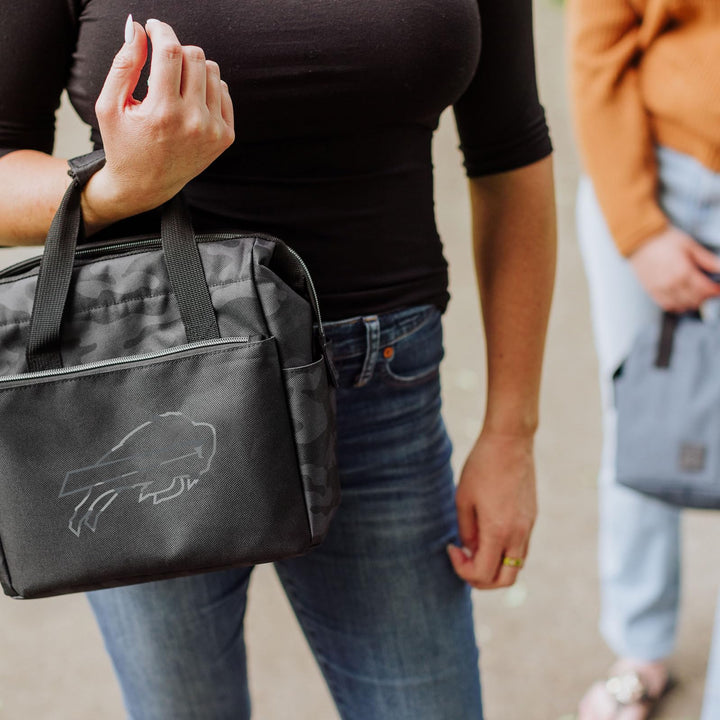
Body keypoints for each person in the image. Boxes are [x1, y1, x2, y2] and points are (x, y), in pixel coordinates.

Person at [0, 3, 555, 718]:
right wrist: (111, 190)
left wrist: (512, 433)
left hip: (378, 387)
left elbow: (512, 153)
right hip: (144, 392)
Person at [568, 1, 720, 718]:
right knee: (638, 424)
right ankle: (640, 649)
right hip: (659, 172)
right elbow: (596, 49)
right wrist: (639, 227)